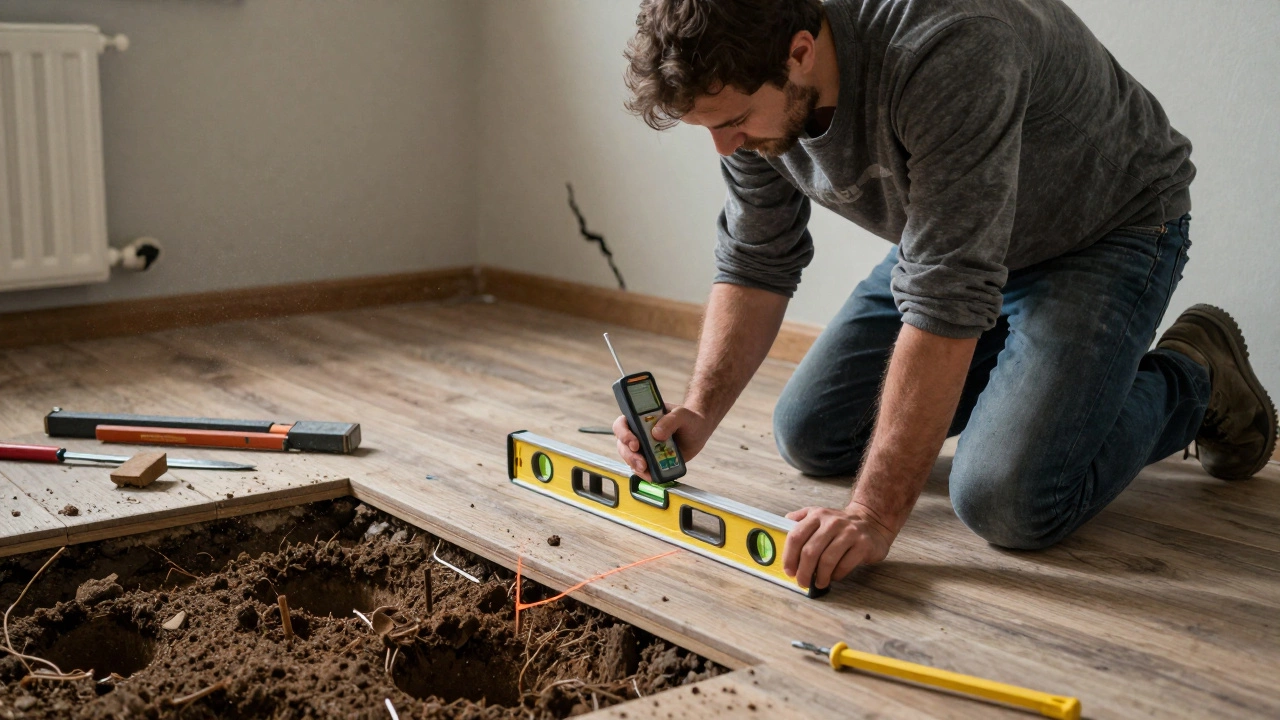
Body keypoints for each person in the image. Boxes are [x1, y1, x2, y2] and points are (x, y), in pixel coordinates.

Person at [611, 0, 1276, 592]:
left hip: (1103, 228)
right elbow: (758, 255)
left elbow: (945, 297)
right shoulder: (748, 93)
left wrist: (871, 515)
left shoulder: (949, 43)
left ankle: (1197, 377)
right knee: (811, 434)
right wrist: (698, 411)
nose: (724, 145)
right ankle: (1039, 387)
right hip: (956, 239)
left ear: (801, 52)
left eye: (730, 121)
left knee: (1007, 500)